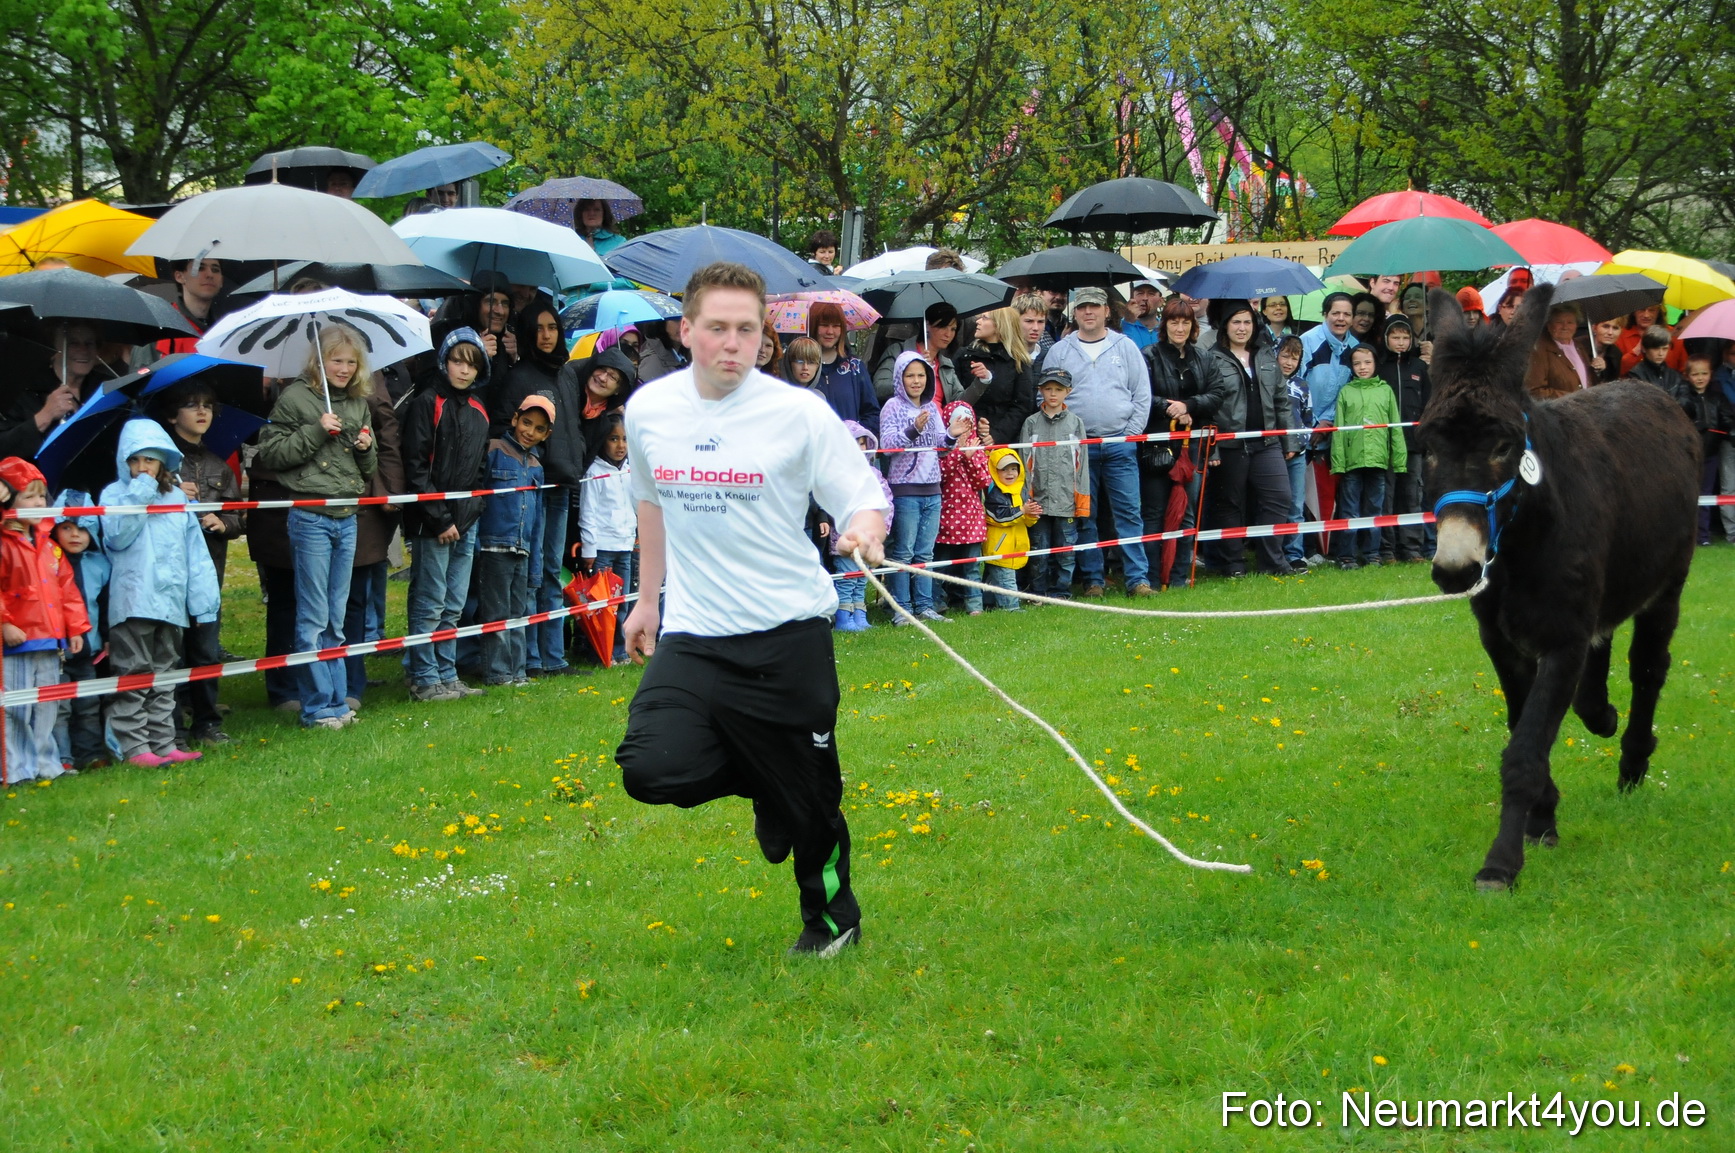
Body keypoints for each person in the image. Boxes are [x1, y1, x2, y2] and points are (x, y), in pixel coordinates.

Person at [613, 261, 888, 958]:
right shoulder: (650, 408)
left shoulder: (796, 412)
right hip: (697, 635)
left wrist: (865, 529)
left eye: (745, 330)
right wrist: (647, 599)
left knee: (811, 800)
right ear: (686, 331)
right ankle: (767, 779)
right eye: (716, 329)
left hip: (789, 632)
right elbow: (651, 502)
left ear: (763, 337)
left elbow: (861, 490)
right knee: (649, 768)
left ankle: (831, 922)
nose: (731, 343)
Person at [255, 327, 378, 730]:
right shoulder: (294, 398)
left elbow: (368, 469)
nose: (343, 368)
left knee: (336, 618)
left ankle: (337, 702)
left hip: (347, 517)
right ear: (319, 362)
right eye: (336, 360)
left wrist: (365, 448)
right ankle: (316, 707)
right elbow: (270, 454)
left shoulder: (359, 402)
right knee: (312, 617)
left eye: (350, 361)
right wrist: (314, 430)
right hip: (309, 517)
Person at [99, 420, 220, 765]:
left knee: (166, 676)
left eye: (149, 461)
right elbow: (117, 536)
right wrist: (139, 493)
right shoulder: (113, 495)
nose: (142, 468)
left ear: (164, 462)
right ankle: (135, 747)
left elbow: (195, 556)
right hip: (134, 601)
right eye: (134, 460)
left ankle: (164, 741)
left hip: (171, 602)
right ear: (124, 462)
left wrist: (202, 605)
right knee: (133, 674)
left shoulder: (178, 498)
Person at [1040, 286, 1152, 597]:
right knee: (1084, 515)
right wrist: (1066, 435)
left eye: (1094, 307)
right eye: (1082, 307)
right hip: (1078, 448)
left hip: (1120, 443)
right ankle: (1093, 581)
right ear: (1074, 313)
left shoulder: (1125, 347)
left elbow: (1141, 394)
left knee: (1129, 512)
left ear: (1106, 311)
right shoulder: (1060, 351)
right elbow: (1045, 397)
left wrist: (1129, 433)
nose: (1088, 312)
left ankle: (1138, 580)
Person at [400, 328, 493, 701]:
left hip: (467, 520)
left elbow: (481, 470)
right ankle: (423, 676)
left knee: (454, 603)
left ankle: (446, 672)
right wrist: (440, 518)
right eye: (457, 361)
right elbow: (417, 466)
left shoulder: (480, 411)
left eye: (471, 365)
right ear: (445, 362)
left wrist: (470, 513)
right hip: (432, 521)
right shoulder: (427, 402)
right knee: (430, 599)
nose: (463, 371)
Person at [155, 382, 243, 746]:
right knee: (170, 651)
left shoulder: (218, 465)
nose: (202, 412)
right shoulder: (156, 463)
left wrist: (223, 524)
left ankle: (207, 722)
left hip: (208, 573)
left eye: (208, 405)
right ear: (173, 415)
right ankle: (171, 728)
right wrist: (168, 491)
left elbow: (239, 516)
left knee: (206, 648)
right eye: (192, 405)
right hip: (166, 574)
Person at [1, 459, 90, 783]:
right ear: (8, 501)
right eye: (29, 496)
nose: (38, 504)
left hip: (50, 640)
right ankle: (15, 768)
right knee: (15, 708)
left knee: (47, 706)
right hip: (16, 643)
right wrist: (4, 623)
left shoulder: (50, 547)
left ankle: (46, 764)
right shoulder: (3, 545)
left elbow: (67, 589)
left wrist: (75, 627)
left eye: (41, 497)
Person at [1203, 301, 1298, 577]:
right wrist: (1213, 449)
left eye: (1247, 322)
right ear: (1225, 326)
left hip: (1267, 442)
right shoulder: (1211, 358)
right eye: (1236, 322)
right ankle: (1233, 564)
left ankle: (1273, 561)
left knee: (1280, 498)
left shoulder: (1266, 355)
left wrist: (1289, 440)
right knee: (1229, 504)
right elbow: (1208, 408)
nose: (1242, 328)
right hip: (1229, 444)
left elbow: (1282, 402)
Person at [1142, 296, 1226, 587]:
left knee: (1187, 513)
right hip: (1158, 448)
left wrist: (1189, 405)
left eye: (1185, 321)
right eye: (1174, 321)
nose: (1179, 327)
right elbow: (1141, 396)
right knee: (1154, 513)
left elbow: (1217, 394)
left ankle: (1178, 578)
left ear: (1193, 326)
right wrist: (1169, 407)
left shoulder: (1205, 357)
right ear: (1165, 324)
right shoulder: (1149, 355)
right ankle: (1152, 579)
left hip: (1192, 448)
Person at [476, 395, 554, 685]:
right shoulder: (494, 449)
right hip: (493, 545)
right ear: (515, 419)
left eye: (538, 428)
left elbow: (537, 518)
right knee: (496, 612)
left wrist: (536, 562)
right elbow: (479, 497)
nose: (529, 431)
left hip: (523, 547)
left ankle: (517, 671)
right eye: (526, 422)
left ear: (546, 434)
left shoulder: (536, 466)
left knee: (519, 612)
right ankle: (497, 672)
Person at [879, 351, 952, 622]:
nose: (916, 381)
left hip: (933, 488)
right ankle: (901, 608)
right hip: (905, 489)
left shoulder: (932, 407)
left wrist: (952, 434)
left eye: (921, 375)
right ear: (900, 377)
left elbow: (941, 448)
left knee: (925, 552)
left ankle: (924, 604)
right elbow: (887, 447)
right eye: (910, 375)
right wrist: (913, 429)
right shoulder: (892, 407)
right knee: (904, 551)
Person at [1329, 346, 1406, 569]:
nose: (1362, 367)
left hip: (1379, 460)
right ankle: (1346, 556)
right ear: (1351, 366)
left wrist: (1399, 461)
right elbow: (1339, 430)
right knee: (1349, 509)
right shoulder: (1346, 392)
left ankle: (1372, 554)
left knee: (1375, 509)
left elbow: (1395, 427)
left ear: (1375, 364)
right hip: (1352, 461)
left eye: (1367, 362)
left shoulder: (1386, 391)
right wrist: (1339, 463)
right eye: (1357, 363)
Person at [49, 490, 108, 771]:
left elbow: (106, 604)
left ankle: (91, 753)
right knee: (58, 708)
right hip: (55, 651)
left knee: (88, 705)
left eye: (83, 528)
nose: (75, 535)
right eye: (67, 527)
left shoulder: (100, 565)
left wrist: (107, 638)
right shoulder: (46, 563)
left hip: (89, 651)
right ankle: (63, 757)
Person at [1299, 291, 1360, 555]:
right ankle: (1301, 550)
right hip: (1302, 428)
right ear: (1325, 314)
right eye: (1335, 312)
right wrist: (1310, 422)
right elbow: (1296, 382)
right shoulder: (1308, 342)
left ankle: (1326, 548)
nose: (1341, 318)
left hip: (1331, 430)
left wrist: (1327, 421)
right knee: (1300, 492)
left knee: (1325, 492)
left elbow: (1350, 390)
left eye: (1347, 314)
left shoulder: (1355, 347)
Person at [1018, 368, 1088, 598]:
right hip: (1037, 500)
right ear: (1041, 391)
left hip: (1067, 499)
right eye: (1048, 389)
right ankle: (1038, 592)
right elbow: (1023, 463)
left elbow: (1082, 464)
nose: (1053, 394)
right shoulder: (1030, 423)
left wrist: (1082, 500)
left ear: (1068, 391)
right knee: (1039, 550)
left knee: (1066, 551)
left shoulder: (1076, 424)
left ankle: (1062, 593)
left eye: (1058, 389)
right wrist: (1024, 498)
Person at [0, 322, 107, 463]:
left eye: (89, 343)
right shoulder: (24, 389)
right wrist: (45, 415)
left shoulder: (105, 387)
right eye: (73, 343)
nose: (83, 350)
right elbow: (4, 449)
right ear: (55, 349)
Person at [579, 412, 637, 660]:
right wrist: (589, 549)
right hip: (602, 548)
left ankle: (618, 649)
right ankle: (598, 650)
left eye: (624, 439)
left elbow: (636, 505)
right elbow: (588, 512)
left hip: (625, 546)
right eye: (614, 439)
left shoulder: (630, 470)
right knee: (603, 605)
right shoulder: (594, 472)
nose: (620, 446)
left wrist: (638, 534)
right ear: (603, 440)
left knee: (621, 601)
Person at [1374, 318, 1431, 563]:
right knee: (1386, 496)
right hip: (1385, 442)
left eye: (1405, 338)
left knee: (1412, 495)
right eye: (1395, 337)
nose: (1400, 342)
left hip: (1413, 443)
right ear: (1386, 339)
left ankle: (1412, 548)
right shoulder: (1379, 367)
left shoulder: (1420, 367)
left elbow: (1430, 404)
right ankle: (1387, 549)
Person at [833, 420, 893, 631]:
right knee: (848, 578)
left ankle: (860, 615)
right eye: (853, 443)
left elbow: (885, 500)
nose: (859, 449)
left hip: (869, 537)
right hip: (846, 540)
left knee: (862, 579)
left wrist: (882, 526)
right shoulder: (837, 475)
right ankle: (843, 617)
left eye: (862, 443)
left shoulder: (874, 474)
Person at [933, 401, 991, 616]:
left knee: (972, 566)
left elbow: (983, 481)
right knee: (940, 565)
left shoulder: (977, 449)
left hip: (971, 519)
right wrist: (959, 455)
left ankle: (974, 604)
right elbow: (940, 476)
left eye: (968, 424)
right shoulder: (943, 450)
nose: (964, 430)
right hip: (945, 517)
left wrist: (970, 457)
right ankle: (937, 602)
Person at [954, 307, 1035, 446]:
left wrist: (997, 434)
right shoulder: (964, 356)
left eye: (984, 318)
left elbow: (1022, 405)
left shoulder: (1018, 361)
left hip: (1002, 443)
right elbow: (954, 398)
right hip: (966, 437)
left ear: (1000, 325)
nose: (977, 321)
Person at [1674, 356, 1731, 546]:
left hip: (1711, 455)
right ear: (1687, 376)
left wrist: (1730, 432)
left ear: (1711, 375)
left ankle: (1703, 536)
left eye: (1704, 373)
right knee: (1688, 495)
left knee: (1706, 495)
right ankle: (1684, 537)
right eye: (1695, 374)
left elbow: (1727, 419)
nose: (1700, 378)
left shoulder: (1717, 397)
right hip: (1689, 454)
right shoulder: (1684, 397)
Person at [981, 448, 1039, 611]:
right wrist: (1022, 511)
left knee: (994, 580)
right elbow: (999, 517)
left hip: (1017, 545)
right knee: (1005, 580)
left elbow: (1027, 521)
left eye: (1013, 469)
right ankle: (1011, 608)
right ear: (994, 471)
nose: (1010, 473)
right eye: (1004, 469)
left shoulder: (1021, 491)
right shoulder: (993, 494)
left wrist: (1032, 515)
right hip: (999, 547)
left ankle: (988, 604)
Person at [808, 302, 879, 434]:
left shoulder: (855, 367)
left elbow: (872, 413)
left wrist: (859, 435)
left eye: (836, 326)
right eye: (824, 325)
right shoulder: (798, 367)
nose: (830, 331)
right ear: (813, 326)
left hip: (850, 448)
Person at [1274, 336, 1314, 570]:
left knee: (1296, 505)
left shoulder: (1302, 386)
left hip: (1297, 453)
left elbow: (1308, 417)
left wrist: (1303, 441)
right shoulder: (1267, 382)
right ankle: (1273, 551)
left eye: (1294, 357)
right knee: (1274, 504)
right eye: (1285, 355)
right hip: (1273, 451)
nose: (1289, 362)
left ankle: (1294, 553)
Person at [873, 302, 961, 403]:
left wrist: (980, 382)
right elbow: (879, 388)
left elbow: (959, 400)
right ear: (927, 325)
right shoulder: (898, 351)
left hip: (939, 418)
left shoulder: (946, 364)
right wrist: (914, 373)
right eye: (943, 326)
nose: (948, 334)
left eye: (953, 329)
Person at [1525, 301, 1595, 399]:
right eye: (1559, 322)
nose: (1565, 327)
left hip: (1584, 410)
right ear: (1549, 325)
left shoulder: (1579, 346)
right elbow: (1534, 391)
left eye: (1570, 322)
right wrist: (1573, 398)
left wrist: (1597, 369)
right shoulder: (1539, 350)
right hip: (1558, 411)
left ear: (1576, 326)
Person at [157, 258, 224, 356]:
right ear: (179, 276)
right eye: (200, 268)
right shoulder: (159, 327)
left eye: (215, 270)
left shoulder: (226, 330)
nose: (210, 274)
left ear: (221, 281)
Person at [1617, 305, 1686, 375]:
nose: (1646, 315)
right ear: (1633, 312)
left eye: (1652, 310)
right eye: (1641, 309)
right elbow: (1616, 371)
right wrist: (1635, 351)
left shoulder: (1673, 335)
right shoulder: (1620, 335)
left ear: (1658, 312)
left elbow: (1684, 371)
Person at [1629, 325, 1685, 391]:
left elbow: (1684, 398)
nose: (1661, 354)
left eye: (1665, 349)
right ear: (1644, 349)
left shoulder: (1674, 376)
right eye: (1656, 349)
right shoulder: (1636, 374)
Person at [1122, 280, 1165, 350]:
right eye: (1140, 293)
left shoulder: (1166, 329)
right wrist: (1128, 323)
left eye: (1151, 294)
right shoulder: (1118, 327)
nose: (1145, 298)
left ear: (1160, 301)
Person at [1013, 292, 1053, 366]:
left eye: (1040, 322)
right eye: (1029, 321)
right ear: (1014, 321)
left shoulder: (1050, 356)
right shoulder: (1002, 355)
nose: (1036, 328)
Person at [1589, 317, 1625, 383]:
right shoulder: (1579, 347)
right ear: (1594, 328)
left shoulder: (1616, 353)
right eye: (1605, 326)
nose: (1610, 333)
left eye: (1615, 328)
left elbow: (1613, 383)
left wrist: (1604, 371)